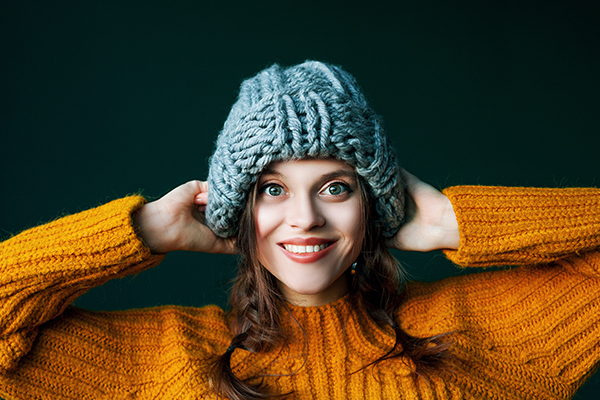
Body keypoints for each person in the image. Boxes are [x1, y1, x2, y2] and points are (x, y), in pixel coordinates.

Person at [0, 61, 599, 400]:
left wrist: (454, 221)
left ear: (372, 202)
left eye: (336, 187)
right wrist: (142, 230)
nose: (306, 217)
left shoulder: (475, 336)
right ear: (238, 210)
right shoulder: (162, 358)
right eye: (271, 189)